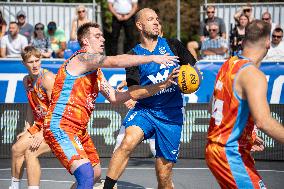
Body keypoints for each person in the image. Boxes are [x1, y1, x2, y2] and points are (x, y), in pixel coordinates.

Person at [42, 22, 179, 189]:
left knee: (95, 173)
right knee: (85, 173)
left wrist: (159, 86)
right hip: (61, 125)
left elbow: (114, 97)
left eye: (102, 35)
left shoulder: (96, 72)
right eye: (97, 36)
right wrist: (152, 57)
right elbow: (115, 61)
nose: (103, 39)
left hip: (79, 130)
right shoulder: (82, 58)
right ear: (85, 41)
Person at [103, 8, 196, 189]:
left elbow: (195, 72)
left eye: (157, 19)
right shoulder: (133, 56)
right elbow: (135, 93)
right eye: (151, 19)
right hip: (145, 110)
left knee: (164, 175)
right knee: (127, 142)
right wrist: (164, 84)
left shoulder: (173, 45)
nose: (156, 22)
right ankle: (107, 187)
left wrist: (188, 81)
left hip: (171, 114)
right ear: (139, 25)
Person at [206, 20, 284, 189]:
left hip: (217, 150)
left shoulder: (228, 64)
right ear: (268, 43)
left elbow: (212, 106)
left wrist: (246, 134)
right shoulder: (254, 75)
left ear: (243, 40)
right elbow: (264, 121)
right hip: (229, 152)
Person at [9, 46, 55, 189]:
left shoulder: (47, 78)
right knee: (16, 149)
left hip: (55, 124)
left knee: (30, 152)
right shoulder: (26, 80)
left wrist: (42, 133)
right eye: (30, 62)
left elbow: (56, 108)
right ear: (24, 64)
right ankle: (14, 187)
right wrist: (27, 128)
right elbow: (31, 104)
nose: (35, 65)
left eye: (37, 60)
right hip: (40, 124)